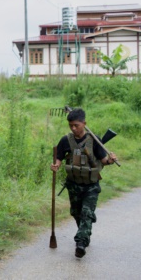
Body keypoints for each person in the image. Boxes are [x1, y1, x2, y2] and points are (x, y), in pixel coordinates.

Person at [50, 108, 116, 258]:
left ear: (84, 124)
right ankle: (85, 231)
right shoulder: (66, 140)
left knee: (86, 213)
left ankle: (81, 243)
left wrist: (110, 160)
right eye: (71, 125)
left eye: (76, 125)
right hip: (73, 185)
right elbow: (59, 157)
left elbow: (103, 161)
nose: (73, 128)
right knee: (76, 213)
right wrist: (55, 165)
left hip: (91, 185)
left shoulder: (94, 139)